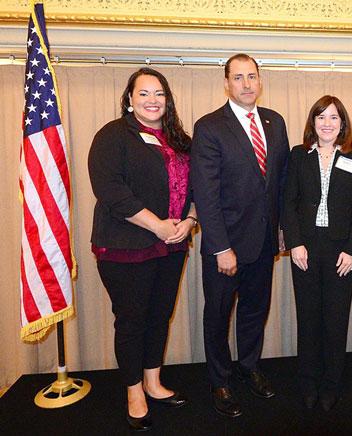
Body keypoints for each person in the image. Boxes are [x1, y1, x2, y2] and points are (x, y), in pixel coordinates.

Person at [88, 68, 195, 431]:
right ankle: (134, 391)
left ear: (168, 99)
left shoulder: (179, 139)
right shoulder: (113, 136)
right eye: (144, 93)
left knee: (159, 316)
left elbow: (199, 186)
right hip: (126, 246)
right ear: (129, 99)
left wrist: (190, 221)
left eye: (159, 93)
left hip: (173, 247)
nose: (153, 101)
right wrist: (158, 225)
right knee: (132, 321)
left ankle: (153, 381)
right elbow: (111, 190)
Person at [190, 53, 289, 418]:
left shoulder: (275, 123)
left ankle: (249, 367)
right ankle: (220, 380)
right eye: (239, 78)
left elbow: (280, 183)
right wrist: (220, 247)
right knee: (217, 315)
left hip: (264, 243)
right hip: (225, 248)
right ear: (227, 83)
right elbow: (206, 193)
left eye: (252, 76)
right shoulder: (210, 126)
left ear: (260, 81)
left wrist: (282, 231)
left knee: (254, 311)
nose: (247, 84)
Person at [282, 95, 352, 411]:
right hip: (305, 248)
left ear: (342, 123)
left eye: (333, 117)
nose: (327, 123)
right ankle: (308, 382)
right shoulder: (298, 155)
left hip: (340, 251)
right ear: (313, 123)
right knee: (308, 319)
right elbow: (288, 203)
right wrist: (295, 243)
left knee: (335, 319)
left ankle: (331, 385)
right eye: (321, 117)